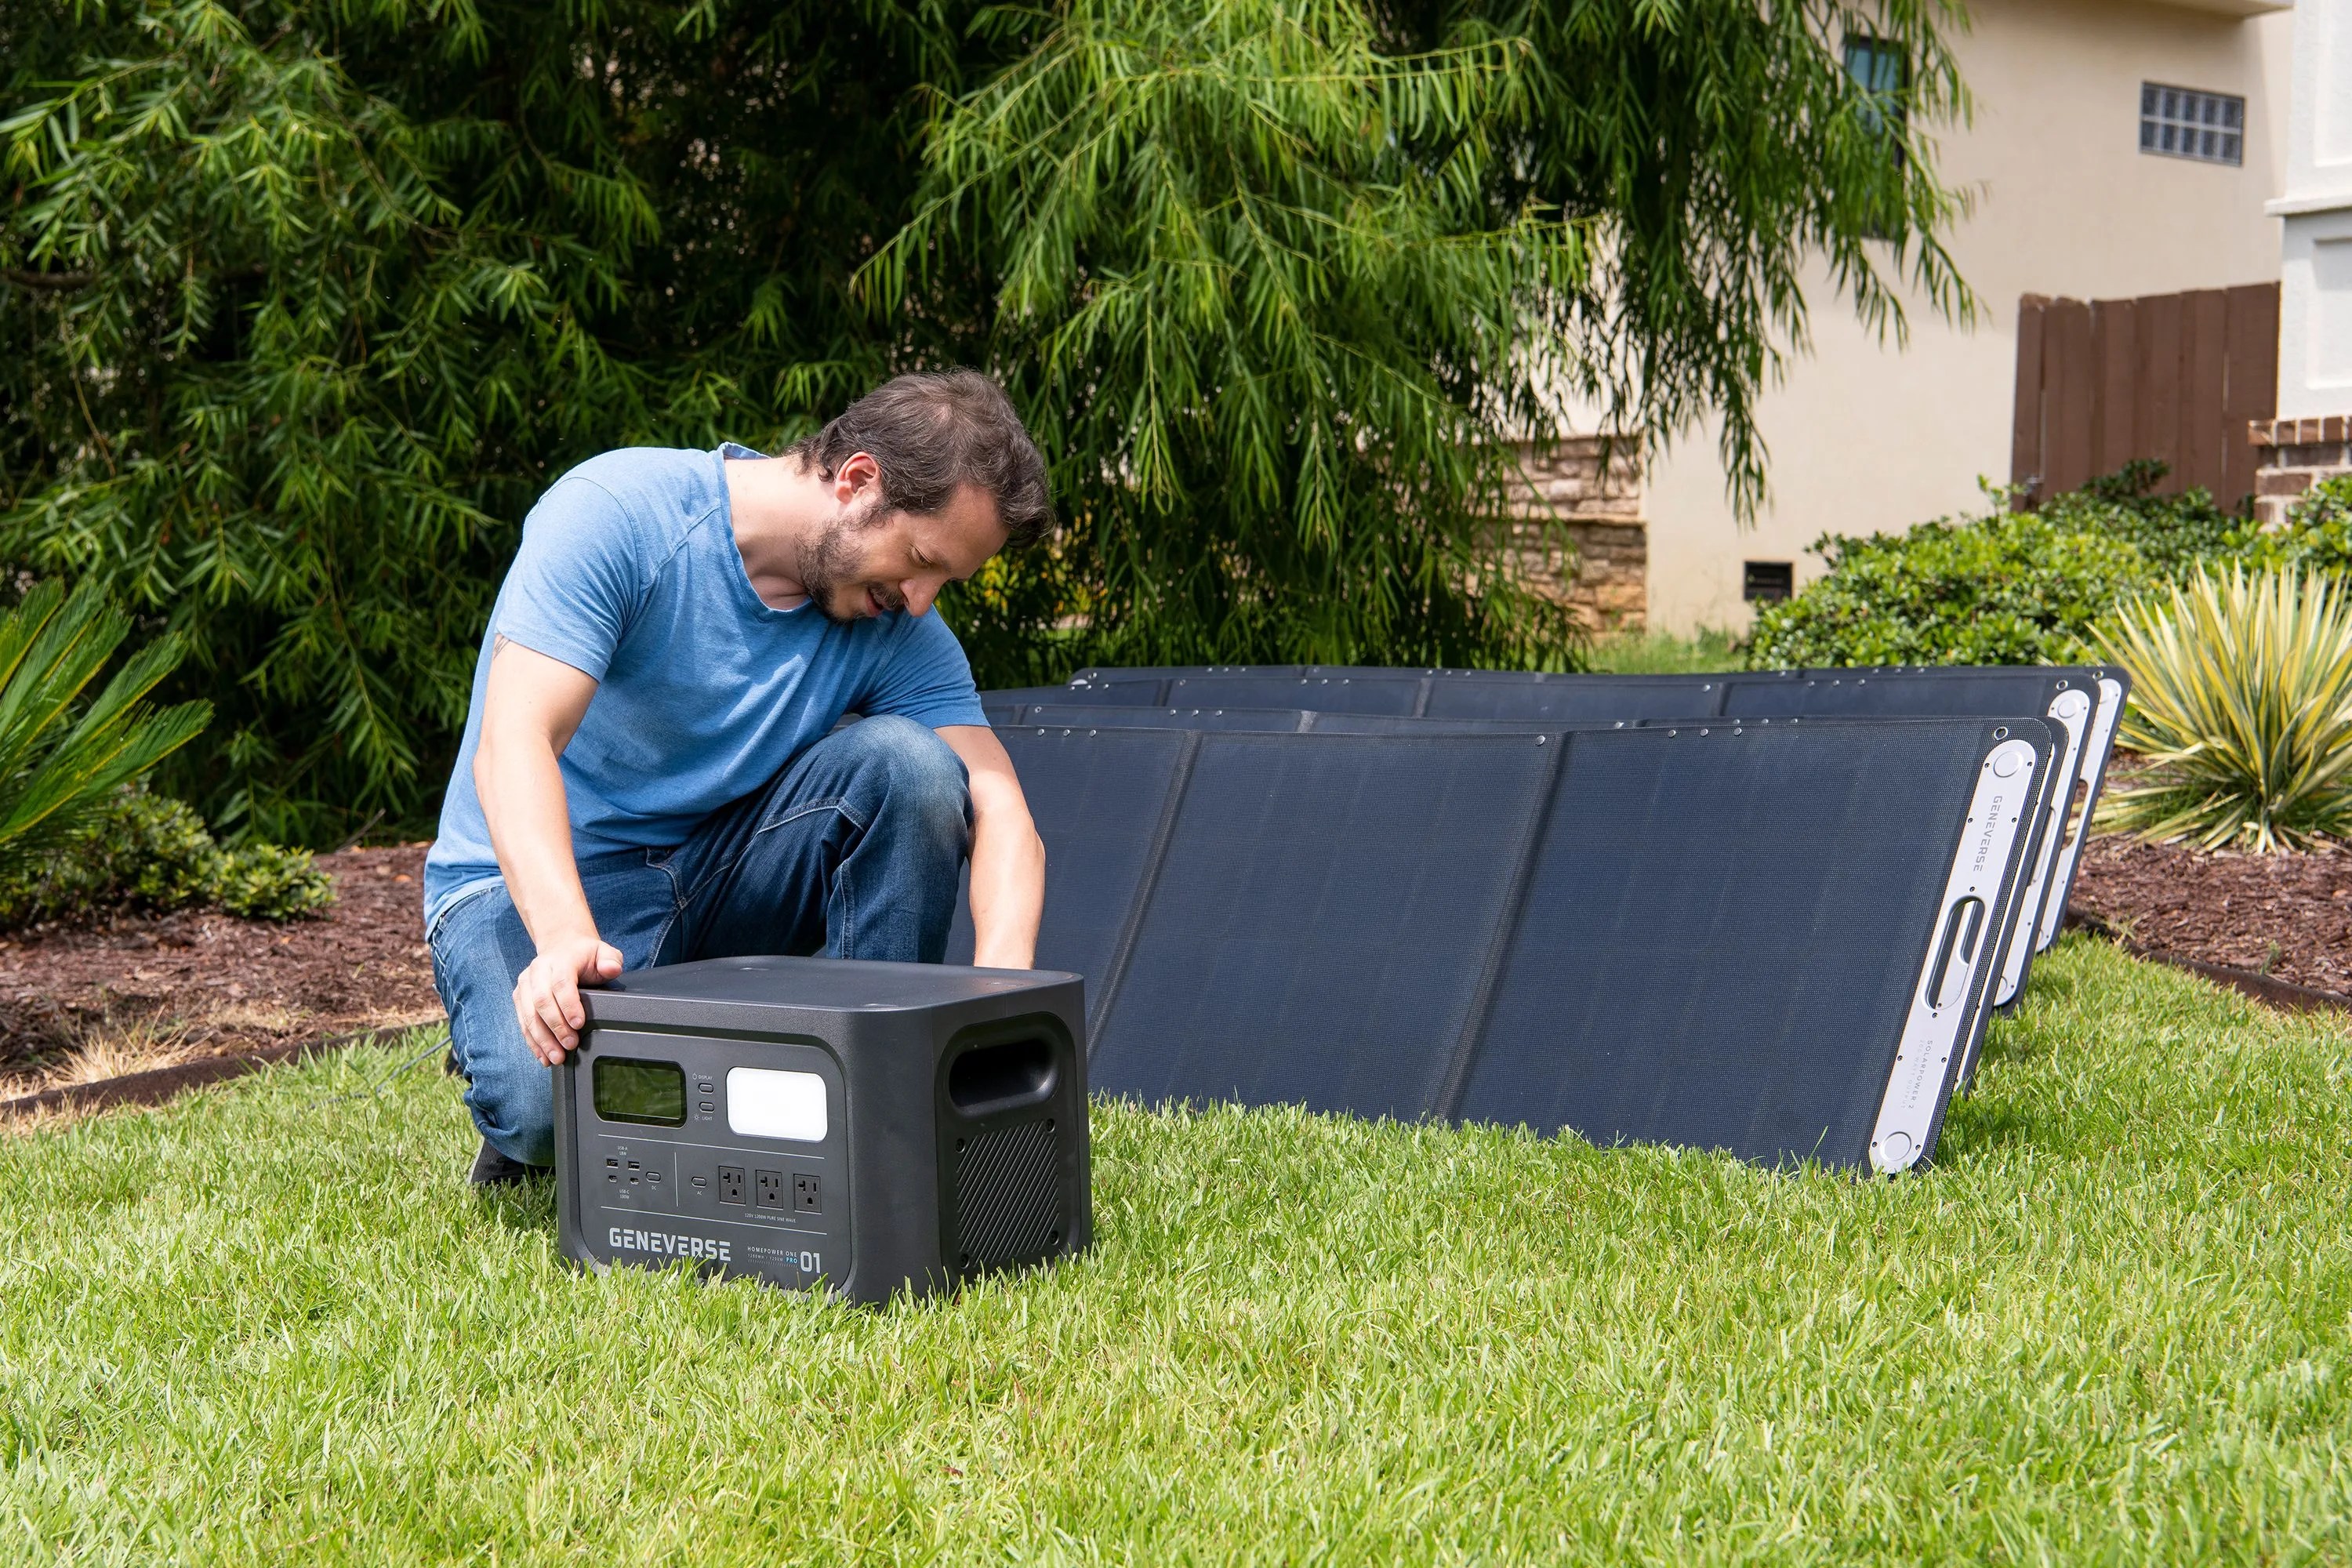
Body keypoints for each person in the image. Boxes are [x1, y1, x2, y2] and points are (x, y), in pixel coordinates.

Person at [422, 370, 1051, 1185]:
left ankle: (875, 1107)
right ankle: (516, 1094)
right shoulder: (620, 512)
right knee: (545, 1109)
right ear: (858, 480)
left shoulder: (893, 624)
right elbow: (515, 743)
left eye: (945, 582)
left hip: (714, 874)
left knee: (916, 769)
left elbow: (1001, 811)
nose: (923, 600)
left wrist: (994, 998)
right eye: (922, 560)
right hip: (538, 888)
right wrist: (564, 935)